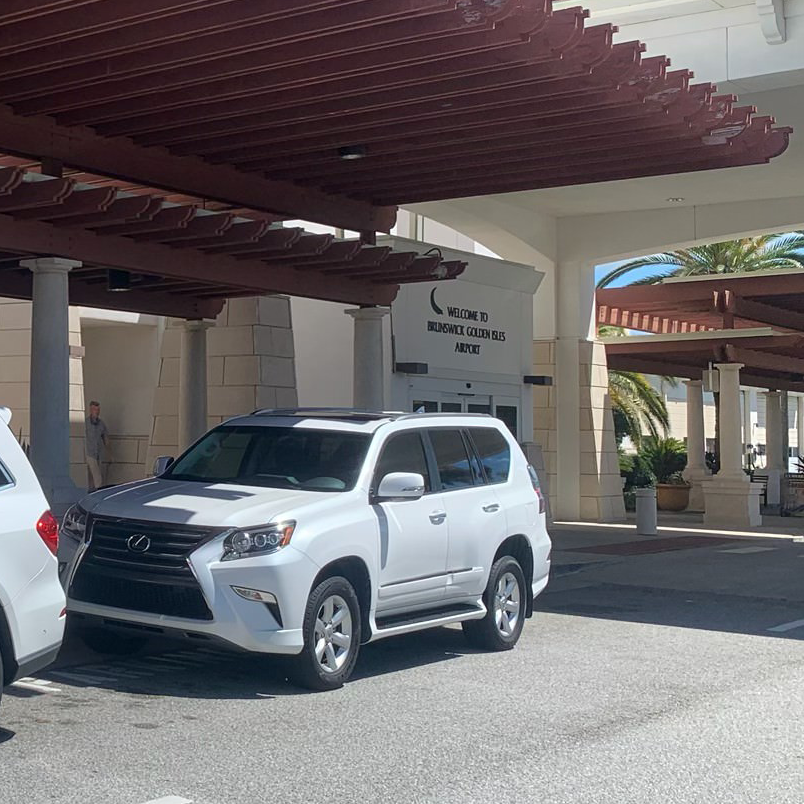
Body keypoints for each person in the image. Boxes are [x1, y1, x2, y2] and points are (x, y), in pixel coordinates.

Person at [85, 400, 109, 491]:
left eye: (98, 410)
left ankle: (91, 491)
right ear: (91, 410)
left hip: (98, 453)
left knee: (93, 476)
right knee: (97, 477)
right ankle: (99, 492)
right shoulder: (85, 423)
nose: (97, 412)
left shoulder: (101, 423)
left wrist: (109, 453)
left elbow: (105, 437)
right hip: (89, 453)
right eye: (95, 410)